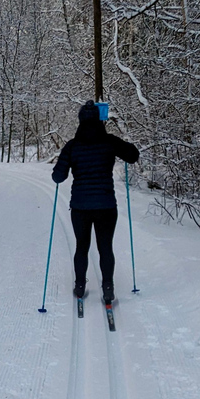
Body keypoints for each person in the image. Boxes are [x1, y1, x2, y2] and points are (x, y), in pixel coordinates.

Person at [52, 100, 139, 303]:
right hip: (106, 206)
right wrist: (125, 144)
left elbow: (58, 177)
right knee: (105, 247)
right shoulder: (109, 141)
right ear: (100, 120)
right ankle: (108, 287)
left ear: (80, 120)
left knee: (82, 246)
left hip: (80, 207)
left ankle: (80, 286)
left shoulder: (72, 146)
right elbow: (133, 155)